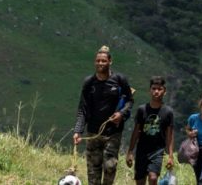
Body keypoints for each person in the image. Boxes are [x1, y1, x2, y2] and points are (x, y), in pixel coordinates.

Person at [72, 45, 134, 185]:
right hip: (93, 132)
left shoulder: (119, 80)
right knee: (93, 169)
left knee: (110, 166)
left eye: (103, 61)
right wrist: (78, 131)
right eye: (98, 61)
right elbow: (83, 108)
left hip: (113, 132)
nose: (100, 63)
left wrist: (121, 114)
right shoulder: (89, 82)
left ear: (110, 61)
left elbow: (130, 100)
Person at [126, 76, 174, 185]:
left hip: (158, 151)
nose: (156, 92)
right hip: (142, 150)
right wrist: (130, 151)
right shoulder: (142, 109)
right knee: (140, 180)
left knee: (153, 178)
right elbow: (136, 131)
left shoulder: (168, 112)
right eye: (154, 88)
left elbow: (169, 135)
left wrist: (170, 155)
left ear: (164, 91)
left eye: (159, 89)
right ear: (150, 90)